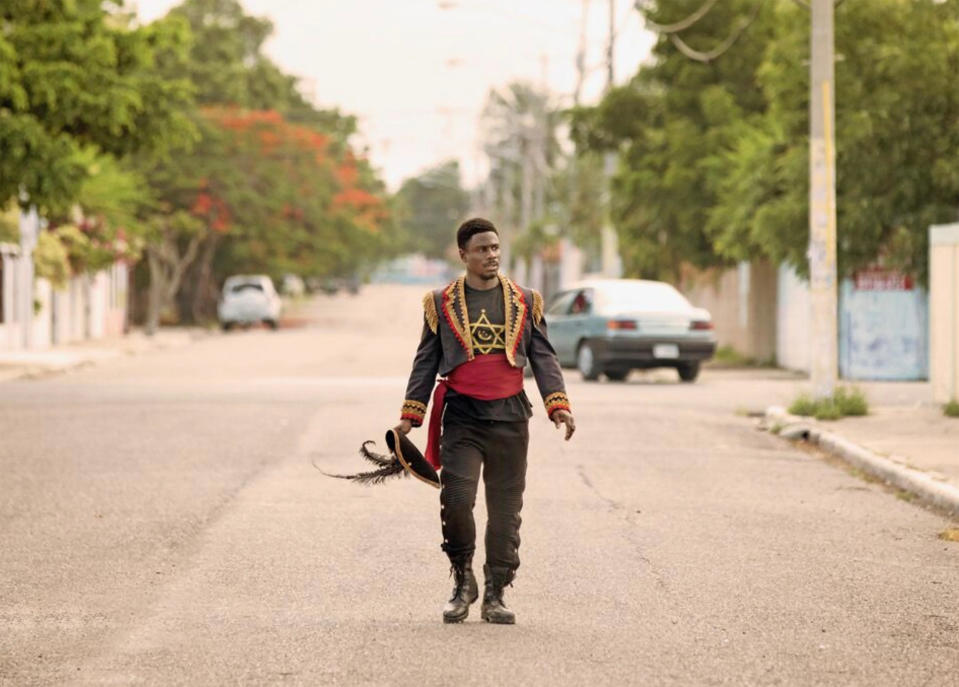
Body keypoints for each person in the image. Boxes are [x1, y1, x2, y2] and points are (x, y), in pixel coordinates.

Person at [395, 217, 575, 624]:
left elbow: (543, 356)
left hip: (511, 416)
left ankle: (495, 592)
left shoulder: (525, 299)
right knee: (457, 500)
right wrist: (411, 414)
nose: (491, 255)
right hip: (462, 415)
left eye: (495, 248)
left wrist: (557, 403)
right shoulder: (440, 303)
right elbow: (426, 360)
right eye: (481, 249)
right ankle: (462, 581)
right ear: (463, 255)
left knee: (505, 510)